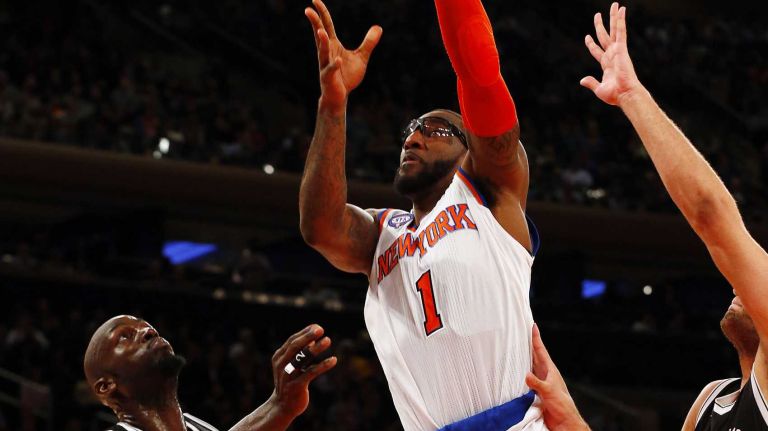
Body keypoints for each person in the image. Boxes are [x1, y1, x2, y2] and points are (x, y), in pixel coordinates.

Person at [299, 0, 543, 429]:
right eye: (411, 131)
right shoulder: (383, 233)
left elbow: (479, 74)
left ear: (470, 148)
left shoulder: (489, 191)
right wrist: (333, 107)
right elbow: (320, 228)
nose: (413, 139)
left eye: (434, 130)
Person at [532, 3, 768, 430]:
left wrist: (631, 95)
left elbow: (709, 214)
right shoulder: (711, 400)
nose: (738, 280)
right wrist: (570, 419)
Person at [83, 315, 336, 431]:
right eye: (125, 337)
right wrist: (278, 407)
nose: (148, 332)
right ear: (106, 386)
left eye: (150, 327)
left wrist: (281, 404)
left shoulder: (198, 426)